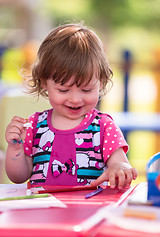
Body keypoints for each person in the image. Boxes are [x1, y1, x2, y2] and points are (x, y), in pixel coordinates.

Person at [5, 23, 137, 189]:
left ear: (101, 83)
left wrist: (120, 169)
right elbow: (18, 177)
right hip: (43, 211)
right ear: (44, 82)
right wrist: (15, 148)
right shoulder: (35, 125)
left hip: (89, 210)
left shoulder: (103, 127)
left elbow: (121, 164)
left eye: (87, 89)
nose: (75, 99)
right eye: (63, 90)